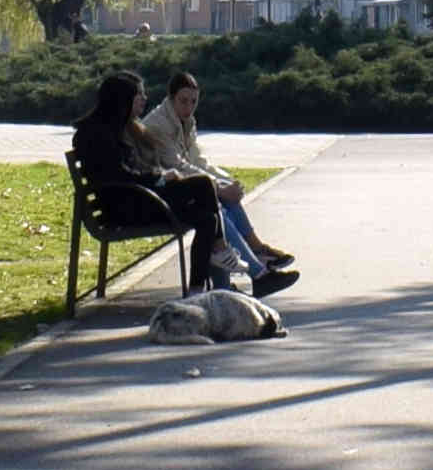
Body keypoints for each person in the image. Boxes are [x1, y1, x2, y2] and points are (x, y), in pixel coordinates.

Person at [72, 70, 290, 300]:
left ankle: (199, 290)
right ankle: (224, 255)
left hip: (141, 197)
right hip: (127, 207)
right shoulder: (97, 134)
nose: (145, 99)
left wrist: (161, 176)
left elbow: (139, 169)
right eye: (139, 95)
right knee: (206, 194)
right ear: (122, 99)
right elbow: (118, 177)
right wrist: (159, 177)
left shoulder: (122, 127)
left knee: (208, 216)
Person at [144, 68, 293, 283]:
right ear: (171, 98)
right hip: (164, 194)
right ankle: (256, 269)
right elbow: (177, 165)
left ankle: (256, 254)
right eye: (183, 101)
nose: (189, 107)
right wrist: (219, 187)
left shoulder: (186, 121)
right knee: (216, 208)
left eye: (193, 101)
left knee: (222, 202)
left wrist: (226, 180)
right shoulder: (159, 125)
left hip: (183, 186)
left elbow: (198, 161)